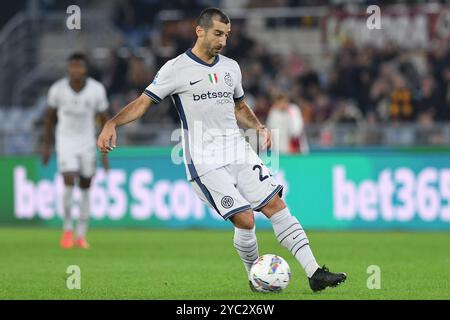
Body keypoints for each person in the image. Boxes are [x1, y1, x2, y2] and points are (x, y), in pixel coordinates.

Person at [97, 8, 346, 292]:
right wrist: (112, 123)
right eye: (218, 33)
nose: (223, 41)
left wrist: (259, 126)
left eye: (226, 35)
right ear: (199, 31)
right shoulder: (175, 69)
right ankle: (256, 276)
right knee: (245, 218)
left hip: (238, 150)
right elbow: (143, 102)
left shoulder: (230, 68)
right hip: (205, 161)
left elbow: (239, 105)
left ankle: (315, 273)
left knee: (276, 205)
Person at [42, 53, 109, 249]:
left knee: (86, 186)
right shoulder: (58, 90)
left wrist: (105, 151)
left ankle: (81, 234)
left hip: (87, 142)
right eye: (73, 66)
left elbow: (104, 119)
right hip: (65, 141)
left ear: (85, 68)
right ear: (68, 68)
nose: (76, 70)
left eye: (79, 66)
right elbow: (49, 119)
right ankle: (67, 228)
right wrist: (46, 146)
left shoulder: (96, 90)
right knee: (69, 181)